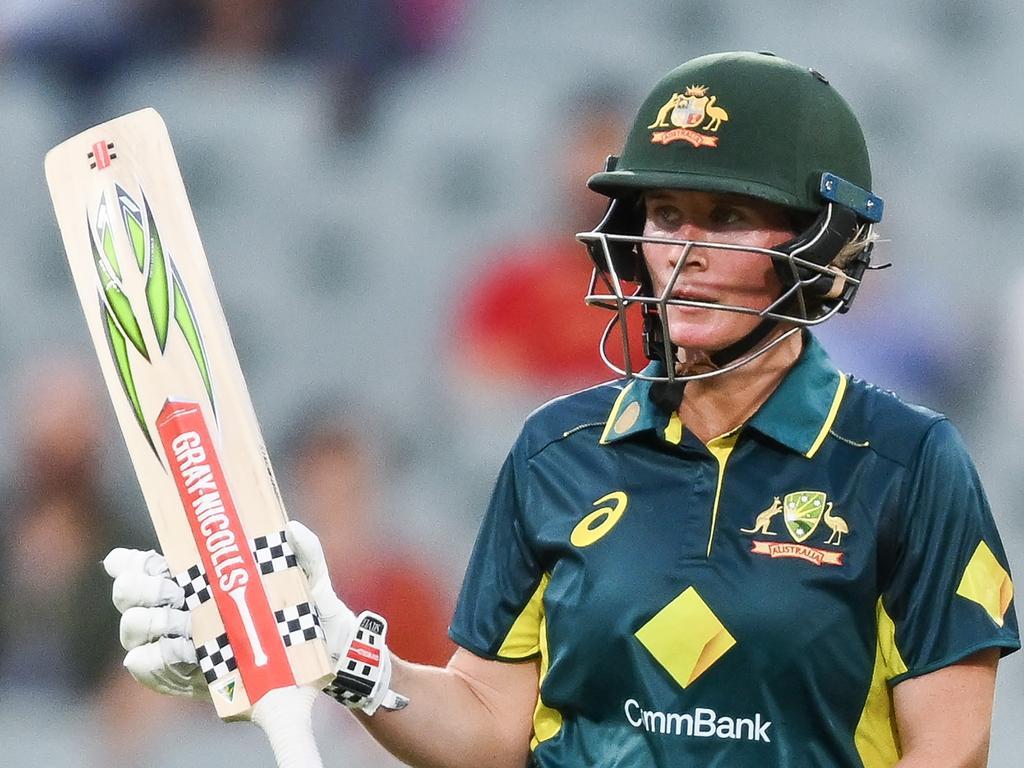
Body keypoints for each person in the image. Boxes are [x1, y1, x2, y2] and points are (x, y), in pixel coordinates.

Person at [102, 51, 1019, 767]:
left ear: (819, 249)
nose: (685, 250)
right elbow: (489, 723)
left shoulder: (907, 463)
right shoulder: (557, 450)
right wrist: (344, 652)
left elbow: (951, 747)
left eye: (729, 219)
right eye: (664, 215)